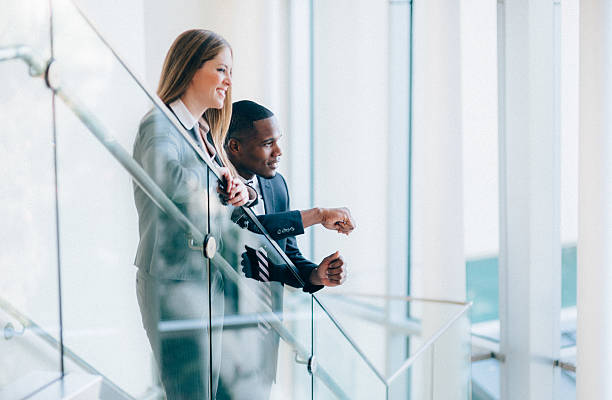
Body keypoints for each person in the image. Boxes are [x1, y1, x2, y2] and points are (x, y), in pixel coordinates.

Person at [133, 29, 248, 400]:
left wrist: (238, 188)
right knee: (190, 394)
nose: (229, 82)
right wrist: (218, 183)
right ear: (190, 69)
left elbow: (231, 186)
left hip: (205, 281)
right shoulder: (159, 125)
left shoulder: (203, 132)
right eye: (221, 70)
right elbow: (166, 179)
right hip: (173, 283)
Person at [218, 100, 350, 398]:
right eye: (267, 144)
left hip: (266, 330)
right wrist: (316, 215)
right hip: (225, 330)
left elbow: (288, 257)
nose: (278, 152)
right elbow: (249, 227)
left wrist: (317, 275)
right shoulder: (218, 185)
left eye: (278, 141)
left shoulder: (276, 186)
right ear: (234, 147)